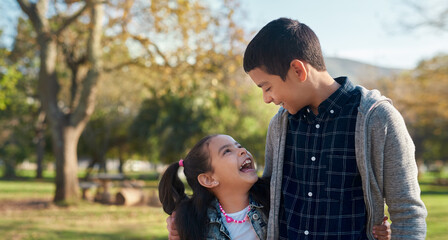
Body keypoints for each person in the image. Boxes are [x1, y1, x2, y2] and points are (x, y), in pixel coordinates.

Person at [242, 18, 427, 239]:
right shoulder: (280, 126)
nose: (266, 99)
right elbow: (269, 201)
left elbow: (407, 213)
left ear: (298, 70)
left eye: (267, 87)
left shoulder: (378, 119)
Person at [161, 134, 392, 240]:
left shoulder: (275, 202)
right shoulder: (193, 223)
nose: (242, 151)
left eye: (239, 145)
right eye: (227, 152)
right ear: (209, 179)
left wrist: (375, 231)